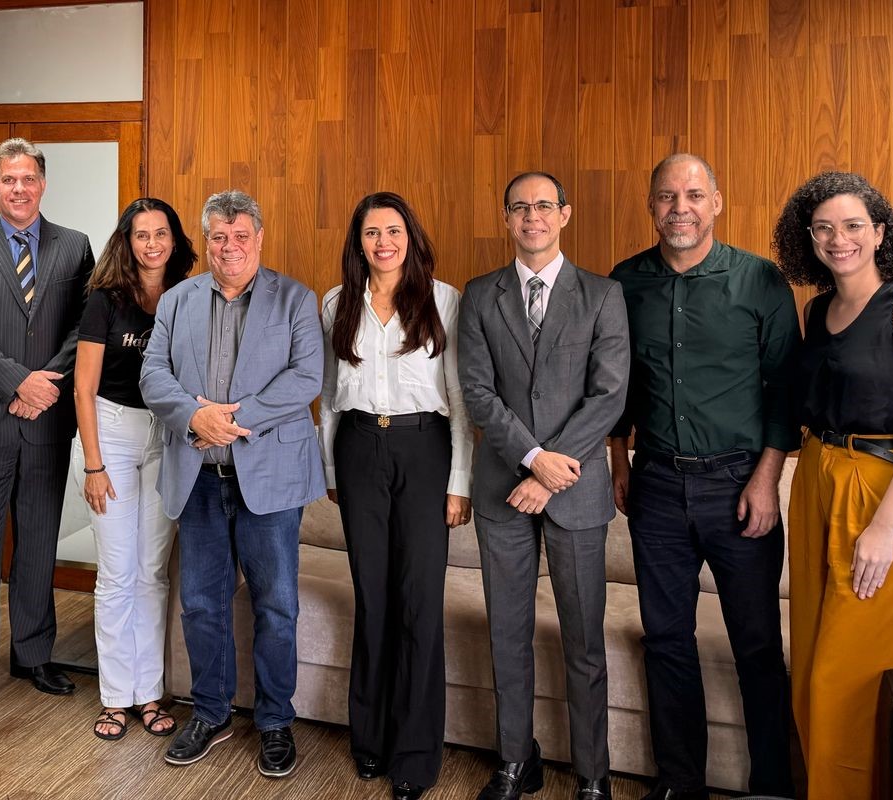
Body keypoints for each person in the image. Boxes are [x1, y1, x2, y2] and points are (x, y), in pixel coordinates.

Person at [608, 154, 798, 800]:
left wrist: (767, 478)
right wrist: (618, 463)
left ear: (715, 202)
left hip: (740, 485)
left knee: (754, 645)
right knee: (665, 639)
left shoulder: (759, 282)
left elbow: (785, 389)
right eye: (665, 196)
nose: (679, 207)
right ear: (650, 206)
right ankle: (680, 783)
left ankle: (771, 782)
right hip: (655, 484)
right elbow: (618, 387)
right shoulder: (624, 283)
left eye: (692, 195)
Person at [773, 172, 893, 800]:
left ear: (879, 233)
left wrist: (883, 526)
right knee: (812, 670)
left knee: (850, 674)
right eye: (822, 228)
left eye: (852, 225)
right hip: (818, 484)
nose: (837, 238)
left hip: (883, 493)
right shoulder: (816, 309)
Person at [141, 189, 324, 779]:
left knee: (276, 605)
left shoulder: (296, 298)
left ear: (259, 238)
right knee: (200, 603)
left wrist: (233, 416)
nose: (229, 247)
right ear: (207, 242)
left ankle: (274, 721)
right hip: (197, 476)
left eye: (240, 235)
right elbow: (153, 373)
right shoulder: (176, 299)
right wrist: (194, 417)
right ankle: (212, 711)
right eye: (218, 237)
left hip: (266, 476)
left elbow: (306, 379)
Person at [459, 173, 628, 800]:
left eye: (543, 206)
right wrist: (532, 458)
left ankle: (592, 774)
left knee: (584, 641)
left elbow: (609, 395)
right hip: (505, 490)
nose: (532, 217)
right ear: (507, 219)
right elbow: (478, 392)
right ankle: (515, 761)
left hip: (576, 494)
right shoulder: (479, 296)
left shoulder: (603, 295)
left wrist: (552, 470)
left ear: (565, 214)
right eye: (520, 208)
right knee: (508, 633)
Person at [318, 192, 472, 800]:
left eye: (394, 230)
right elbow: (329, 398)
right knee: (372, 598)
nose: (384, 242)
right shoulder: (336, 303)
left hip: (424, 450)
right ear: (358, 242)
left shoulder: (444, 300)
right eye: (372, 232)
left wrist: (458, 482)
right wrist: (331, 468)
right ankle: (370, 739)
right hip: (358, 450)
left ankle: (415, 751)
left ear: (411, 236)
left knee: (417, 603)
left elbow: (459, 400)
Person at [0, 138, 95, 719]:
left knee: (37, 545)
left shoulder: (75, 247)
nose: (20, 188)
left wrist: (45, 383)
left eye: (29, 178)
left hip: (47, 422)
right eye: (9, 179)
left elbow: (86, 326)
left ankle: (32, 655)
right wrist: (18, 383)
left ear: (43, 184)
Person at [73, 198, 196, 740]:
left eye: (161, 233)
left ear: (175, 240)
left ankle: (149, 694)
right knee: (117, 572)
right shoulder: (106, 299)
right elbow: (83, 386)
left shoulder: (190, 293)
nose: (152, 244)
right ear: (126, 240)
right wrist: (94, 465)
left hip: (169, 435)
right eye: (141, 234)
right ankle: (114, 696)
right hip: (114, 433)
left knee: (152, 572)